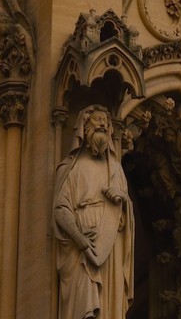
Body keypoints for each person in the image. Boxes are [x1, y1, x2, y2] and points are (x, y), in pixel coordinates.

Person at [53, 107, 133, 319]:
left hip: (109, 241)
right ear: (85, 127)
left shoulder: (115, 169)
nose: (103, 125)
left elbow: (126, 217)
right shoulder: (71, 168)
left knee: (109, 303)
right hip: (82, 244)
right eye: (98, 121)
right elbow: (60, 210)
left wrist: (122, 199)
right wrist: (79, 238)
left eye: (106, 123)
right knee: (83, 304)